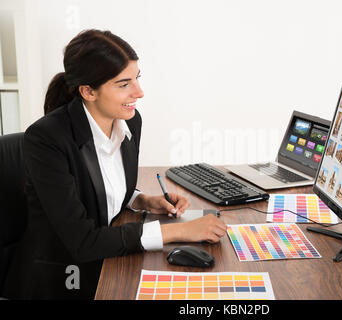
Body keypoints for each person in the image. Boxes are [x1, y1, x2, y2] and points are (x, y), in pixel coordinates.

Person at [3, 29, 227, 300]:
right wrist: (178, 232)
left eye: (137, 78)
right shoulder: (46, 139)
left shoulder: (130, 121)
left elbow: (98, 191)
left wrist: (141, 200)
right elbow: (83, 241)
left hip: (107, 261)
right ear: (88, 91)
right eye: (124, 84)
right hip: (63, 278)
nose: (139, 92)